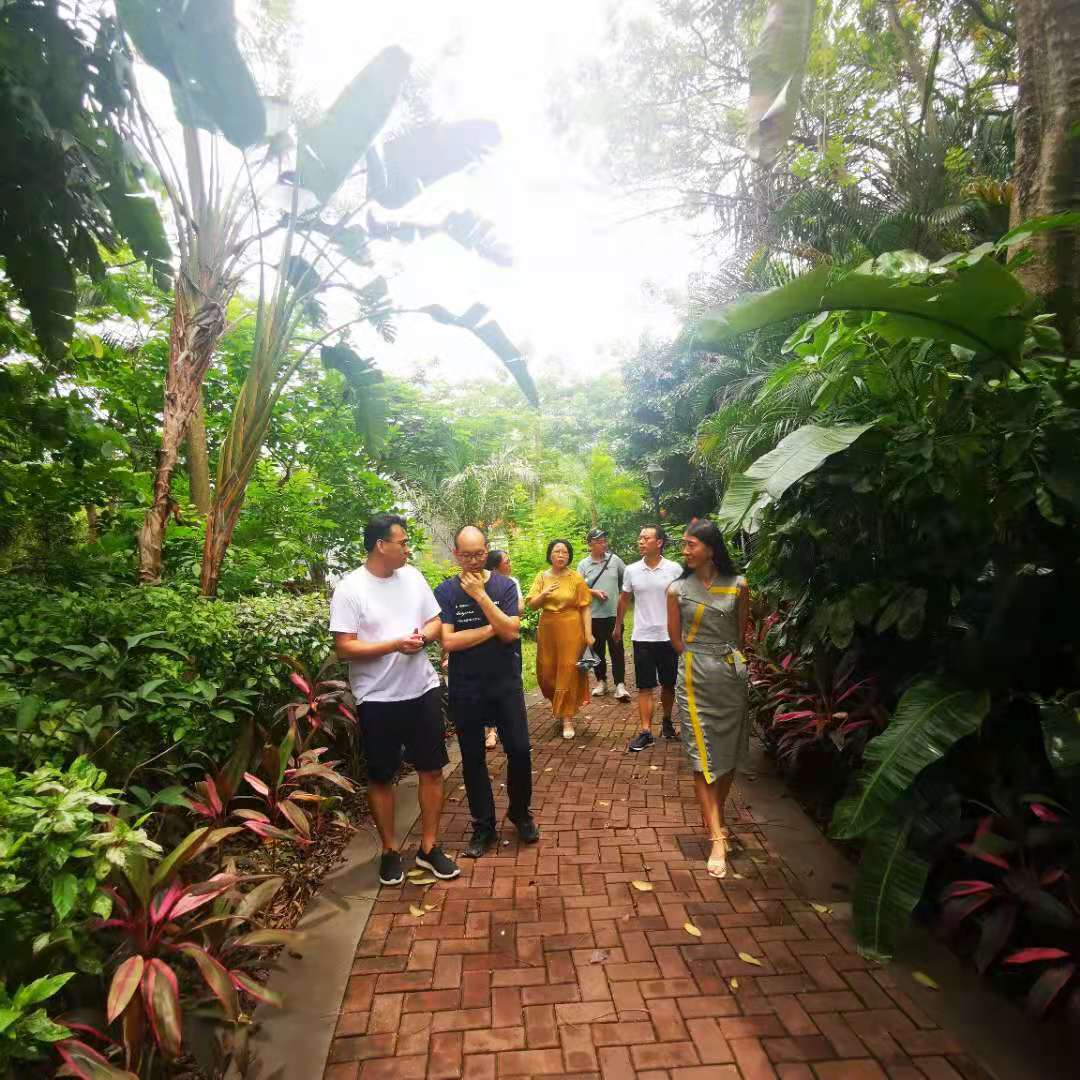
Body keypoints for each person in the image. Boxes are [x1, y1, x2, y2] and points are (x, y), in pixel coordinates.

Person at [330, 514, 460, 886]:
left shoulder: (413, 578)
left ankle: (429, 847)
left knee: (431, 770)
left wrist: (423, 637)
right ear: (380, 545)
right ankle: (389, 851)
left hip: (422, 689)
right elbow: (344, 647)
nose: (407, 549)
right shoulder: (350, 589)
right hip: (377, 698)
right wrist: (394, 645)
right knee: (382, 776)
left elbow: (434, 621)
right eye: (402, 542)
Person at [436, 527, 539, 858]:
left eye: (479, 554)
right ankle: (484, 825)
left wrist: (481, 596)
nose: (473, 561)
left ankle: (520, 813)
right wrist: (494, 627)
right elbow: (449, 641)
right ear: (456, 555)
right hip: (466, 686)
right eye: (466, 555)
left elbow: (511, 633)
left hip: (504, 683)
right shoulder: (446, 591)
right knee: (472, 757)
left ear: (487, 550)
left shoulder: (503, 585)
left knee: (519, 750)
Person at [667, 519, 750, 879]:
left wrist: (726, 661)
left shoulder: (739, 585)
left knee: (726, 754)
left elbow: (740, 635)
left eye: (691, 545)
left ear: (710, 549)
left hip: (730, 678)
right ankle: (717, 837)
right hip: (693, 678)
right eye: (684, 545)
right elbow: (676, 639)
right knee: (702, 759)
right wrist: (698, 658)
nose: (684, 551)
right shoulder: (676, 589)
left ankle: (715, 816)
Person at [617, 525, 682, 752]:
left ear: (659, 542)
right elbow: (624, 599)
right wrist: (617, 626)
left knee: (668, 684)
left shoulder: (674, 569)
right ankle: (646, 732)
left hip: (668, 636)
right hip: (642, 637)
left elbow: (683, 601)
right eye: (640, 538)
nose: (641, 541)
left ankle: (667, 721)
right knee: (644, 686)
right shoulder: (632, 570)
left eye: (646, 538)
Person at [526, 539, 594, 739]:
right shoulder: (541, 577)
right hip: (548, 628)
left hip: (571, 627)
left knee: (568, 670)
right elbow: (532, 605)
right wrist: (544, 594)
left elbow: (585, 607)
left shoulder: (575, 578)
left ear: (569, 556)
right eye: (557, 551)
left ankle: (567, 718)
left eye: (565, 552)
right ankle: (558, 703)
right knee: (547, 672)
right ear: (550, 554)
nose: (561, 555)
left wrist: (588, 633)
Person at [577, 528, 630, 702]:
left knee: (617, 649)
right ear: (590, 544)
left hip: (614, 614)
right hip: (593, 616)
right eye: (599, 542)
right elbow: (578, 588)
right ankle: (601, 682)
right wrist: (593, 592)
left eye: (604, 541)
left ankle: (620, 685)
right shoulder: (583, 565)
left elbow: (627, 578)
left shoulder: (615, 560)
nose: (603, 544)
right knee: (597, 650)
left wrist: (622, 594)